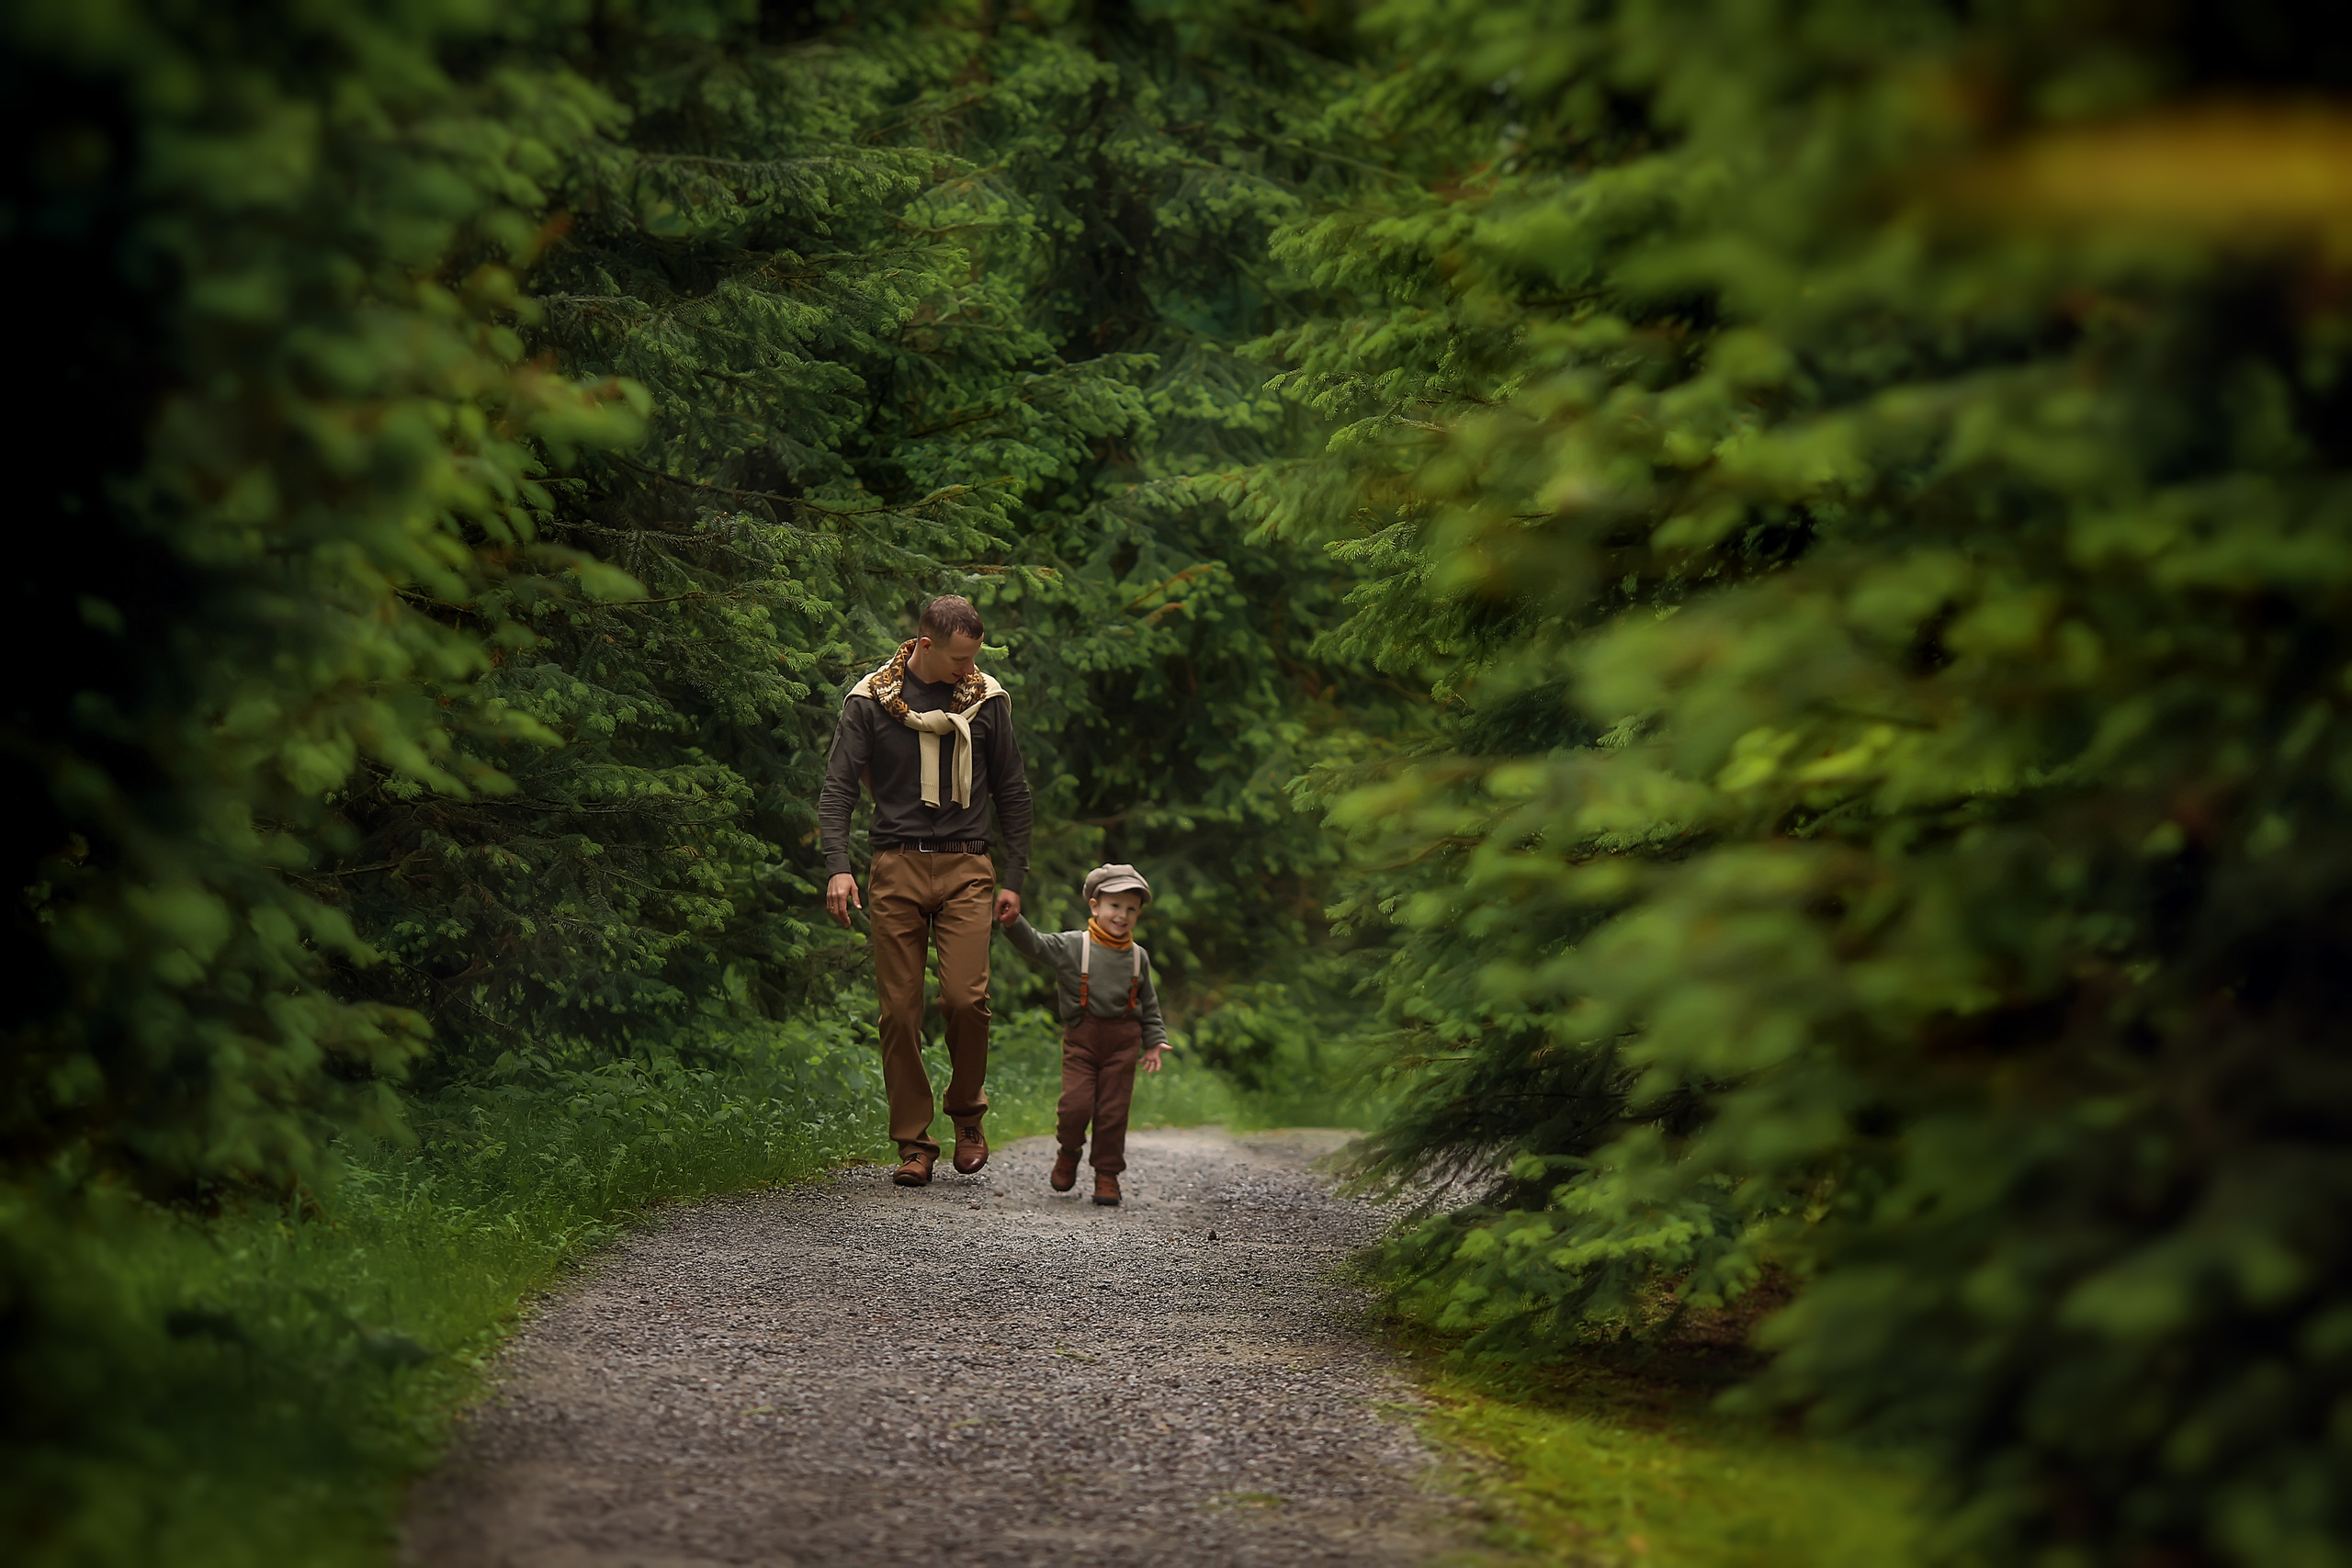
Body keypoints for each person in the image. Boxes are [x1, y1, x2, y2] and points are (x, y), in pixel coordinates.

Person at [818, 595, 1032, 1188]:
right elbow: (838, 790)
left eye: (976, 656)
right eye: (962, 658)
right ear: (927, 644)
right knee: (899, 1011)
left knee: (966, 1000)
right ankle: (914, 1142)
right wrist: (839, 866)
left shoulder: (987, 702)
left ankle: (967, 1114)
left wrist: (1014, 877)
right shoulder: (870, 701)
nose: (971, 668)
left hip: (968, 865)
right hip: (897, 864)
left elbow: (1012, 790)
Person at [999, 863, 1170, 1207]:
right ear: (1095, 906)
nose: (1122, 916)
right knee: (1075, 1106)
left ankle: (1107, 1176)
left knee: (1113, 1112)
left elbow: (1148, 1004)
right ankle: (1069, 1150)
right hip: (1082, 1039)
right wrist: (1014, 923)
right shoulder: (1075, 946)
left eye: (1131, 909)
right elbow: (1036, 945)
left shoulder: (1139, 957)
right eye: (1115, 906)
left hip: (1123, 1043)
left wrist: (1153, 1041)